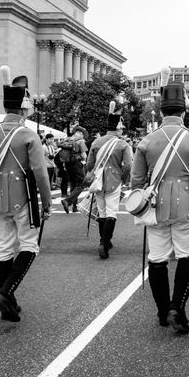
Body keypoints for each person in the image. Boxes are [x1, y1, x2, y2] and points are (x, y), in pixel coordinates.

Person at [130, 67, 189, 334]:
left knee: (157, 259)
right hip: (187, 208)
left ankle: (162, 311)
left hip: (155, 208)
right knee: (187, 256)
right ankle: (177, 306)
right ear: (183, 111)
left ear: (162, 110)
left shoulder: (146, 140)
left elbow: (136, 182)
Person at [0, 66, 51, 322]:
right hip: (24, 197)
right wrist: (47, 202)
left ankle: (8, 300)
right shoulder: (28, 134)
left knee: (4, 250)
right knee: (30, 246)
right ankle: (6, 292)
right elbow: (40, 173)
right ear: (23, 108)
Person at [86, 99, 133, 259]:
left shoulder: (96, 142)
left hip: (98, 180)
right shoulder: (123, 144)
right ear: (118, 128)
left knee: (102, 211)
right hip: (114, 180)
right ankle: (105, 243)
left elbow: (89, 164)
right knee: (112, 212)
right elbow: (128, 166)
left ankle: (103, 241)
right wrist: (124, 179)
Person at [59, 128, 87, 213]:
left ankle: (74, 207)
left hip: (68, 165)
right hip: (77, 165)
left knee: (73, 185)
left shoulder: (67, 140)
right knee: (81, 184)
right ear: (80, 134)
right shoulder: (81, 141)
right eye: (82, 134)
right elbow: (84, 155)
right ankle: (68, 201)